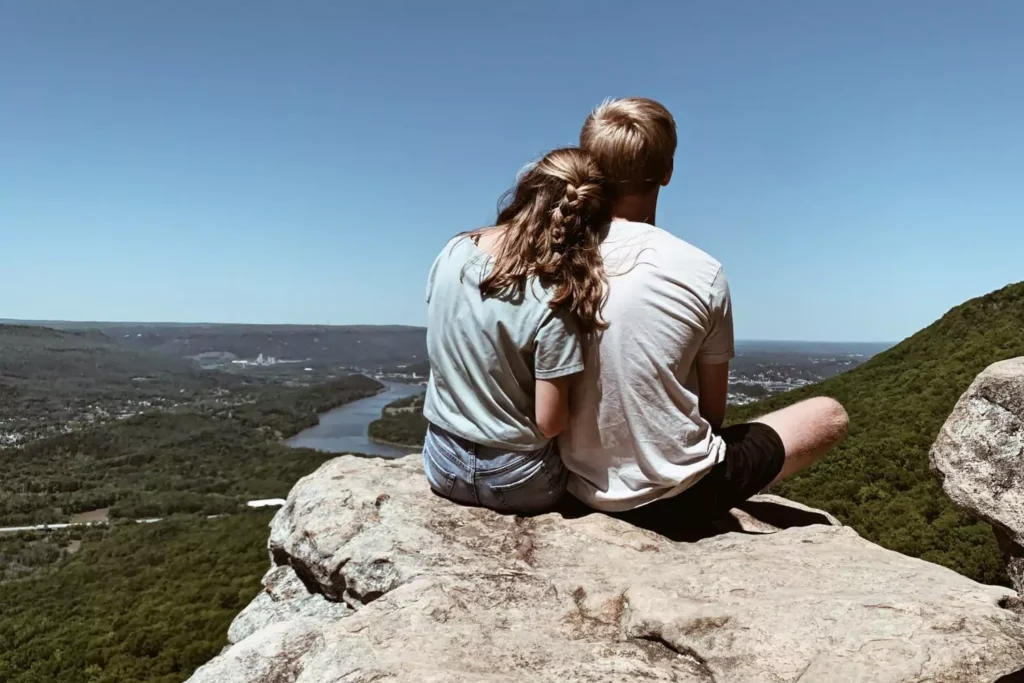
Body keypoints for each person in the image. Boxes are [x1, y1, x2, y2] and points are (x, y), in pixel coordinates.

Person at [559, 98, 850, 525]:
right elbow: (713, 415)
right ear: (667, 172)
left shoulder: (555, 257)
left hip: (570, 486)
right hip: (675, 500)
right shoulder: (701, 270)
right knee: (829, 413)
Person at [421, 147, 612, 515]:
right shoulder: (554, 298)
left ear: (526, 188)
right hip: (519, 480)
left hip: (441, 462)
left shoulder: (453, 252)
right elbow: (550, 422)